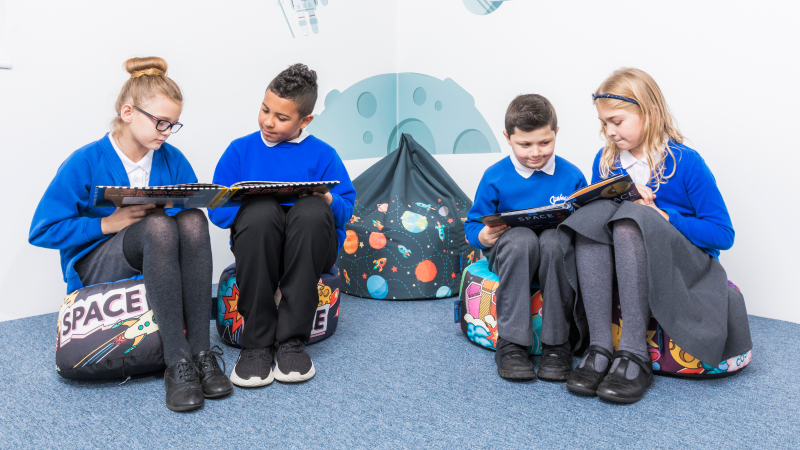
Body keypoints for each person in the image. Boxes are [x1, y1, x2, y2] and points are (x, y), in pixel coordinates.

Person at [29, 57, 232, 412]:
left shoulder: (172, 159)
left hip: (157, 256)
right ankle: (177, 362)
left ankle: (201, 354)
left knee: (194, 220)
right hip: (98, 263)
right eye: (160, 122)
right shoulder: (86, 160)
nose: (166, 132)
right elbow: (42, 230)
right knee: (157, 226)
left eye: (173, 125)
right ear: (127, 112)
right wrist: (107, 223)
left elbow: (188, 224)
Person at [561, 68, 752, 403]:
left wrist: (664, 216)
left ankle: (634, 353)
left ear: (648, 114)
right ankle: (600, 347)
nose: (609, 131)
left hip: (682, 262)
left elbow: (722, 234)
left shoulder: (685, 162)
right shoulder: (606, 162)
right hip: (625, 255)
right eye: (604, 123)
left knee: (631, 219)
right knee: (591, 217)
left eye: (617, 122)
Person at [209, 63, 356, 387]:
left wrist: (326, 199)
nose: (268, 122)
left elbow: (347, 212)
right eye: (264, 110)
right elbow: (217, 213)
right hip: (260, 242)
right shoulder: (240, 150)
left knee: (313, 210)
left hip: (312, 244)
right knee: (261, 211)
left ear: (305, 121)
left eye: (281, 117)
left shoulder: (323, 154)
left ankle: (291, 342)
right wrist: (254, 201)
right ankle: (257, 344)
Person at [464, 94, 588, 381]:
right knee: (522, 239)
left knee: (555, 240)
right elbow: (471, 226)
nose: (535, 152)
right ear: (508, 138)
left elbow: (585, 220)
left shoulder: (572, 176)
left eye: (545, 143)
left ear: (556, 133)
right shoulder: (494, 176)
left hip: (555, 255)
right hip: (511, 251)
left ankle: (557, 344)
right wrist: (483, 235)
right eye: (525, 144)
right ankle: (512, 344)